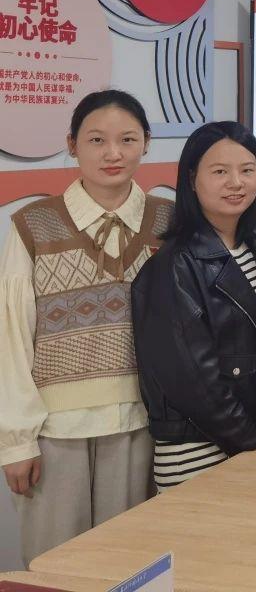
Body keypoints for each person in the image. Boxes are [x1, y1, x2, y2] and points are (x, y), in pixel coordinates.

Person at [0, 90, 172, 565]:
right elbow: (11, 338)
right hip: (55, 431)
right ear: (72, 144)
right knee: (56, 565)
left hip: (142, 424)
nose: (113, 153)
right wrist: (16, 441)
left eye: (127, 139)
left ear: (146, 143)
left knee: (129, 565)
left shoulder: (169, 221)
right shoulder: (32, 224)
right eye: (97, 140)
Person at [132, 122, 256, 491]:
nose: (236, 182)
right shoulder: (173, 265)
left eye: (247, 170)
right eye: (220, 172)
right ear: (192, 179)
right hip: (197, 451)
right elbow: (192, 380)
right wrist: (253, 442)